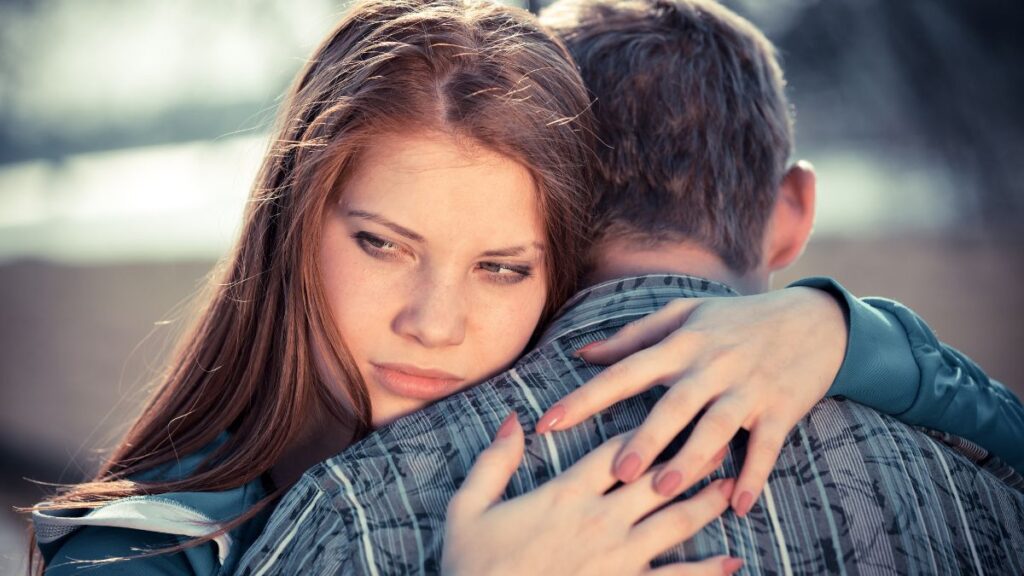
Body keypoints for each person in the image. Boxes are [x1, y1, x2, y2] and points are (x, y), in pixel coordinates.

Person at [230, 0, 1024, 574]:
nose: (435, 326)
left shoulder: (352, 512)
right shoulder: (983, 495)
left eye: (497, 264)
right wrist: (859, 335)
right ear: (792, 214)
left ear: (558, 216)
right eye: (380, 244)